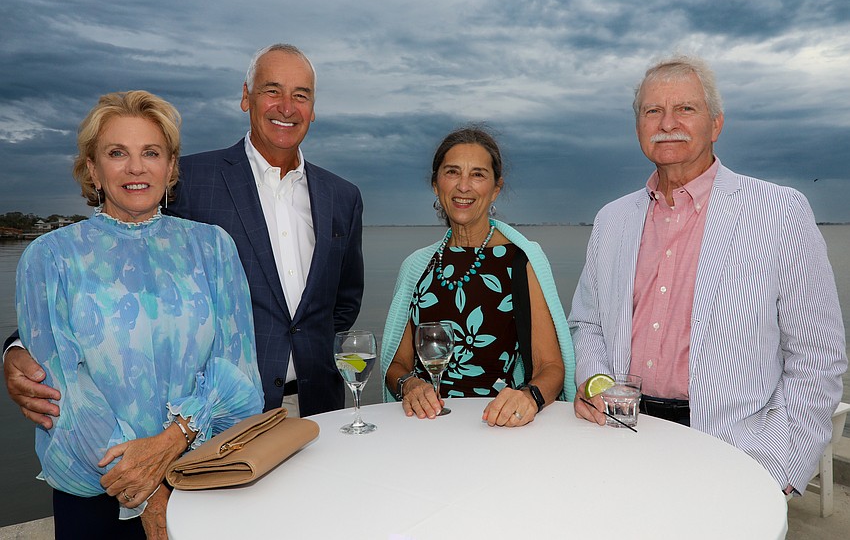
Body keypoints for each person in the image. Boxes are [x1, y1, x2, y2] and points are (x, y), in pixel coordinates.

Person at [4, 43, 364, 418]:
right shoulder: (186, 181)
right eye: (271, 90)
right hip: (212, 417)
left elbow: (344, 303)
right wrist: (17, 347)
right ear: (246, 97)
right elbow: (112, 259)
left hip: (321, 405)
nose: (286, 107)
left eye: (300, 95)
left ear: (313, 107)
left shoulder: (342, 197)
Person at [569, 55, 846, 495]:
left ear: (716, 124)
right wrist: (598, 382)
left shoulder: (779, 211)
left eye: (686, 108)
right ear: (638, 126)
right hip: (620, 434)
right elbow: (587, 323)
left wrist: (779, 472)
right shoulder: (611, 220)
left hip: (735, 450)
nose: (667, 122)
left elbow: (817, 358)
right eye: (652, 110)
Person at [15, 90, 263, 539]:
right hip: (99, 491)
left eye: (151, 152)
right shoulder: (49, 257)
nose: (135, 167)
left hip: (204, 478)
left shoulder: (213, 247)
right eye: (117, 153)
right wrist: (148, 492)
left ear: (170, 167)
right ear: (92, 168)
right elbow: (64, 394)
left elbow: (239, 377)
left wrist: (173, 443)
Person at [381, 127, 575, 426]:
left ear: (496, 188)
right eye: (452, 172)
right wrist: (410, 385)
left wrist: (529, 397)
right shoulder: (418, 266)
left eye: (478, 175)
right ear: (436, 184)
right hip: (423, 427)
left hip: (495, 424)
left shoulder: (520, 262)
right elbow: (398, 364)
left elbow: (551, 367)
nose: (463, 186)